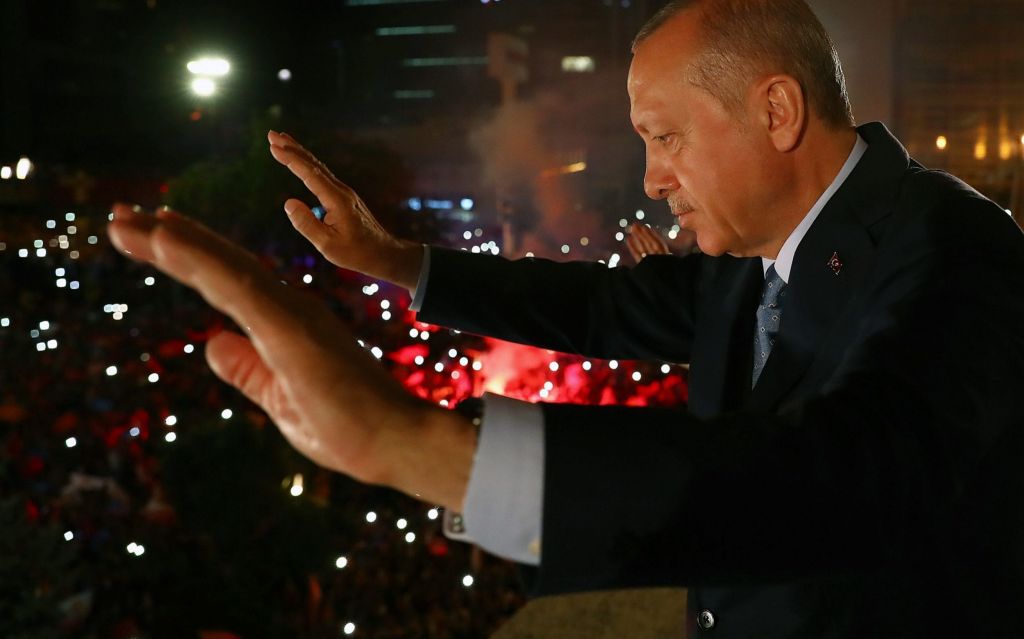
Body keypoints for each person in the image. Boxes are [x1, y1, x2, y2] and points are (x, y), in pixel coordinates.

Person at [108, 0, 1024, 636]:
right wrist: (398, 262)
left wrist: (418, 448)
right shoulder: (752, 254)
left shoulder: (957, 243)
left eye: (665, 137)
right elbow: (604, 306)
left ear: (776, 109)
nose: (653, 178)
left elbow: (857, 473)